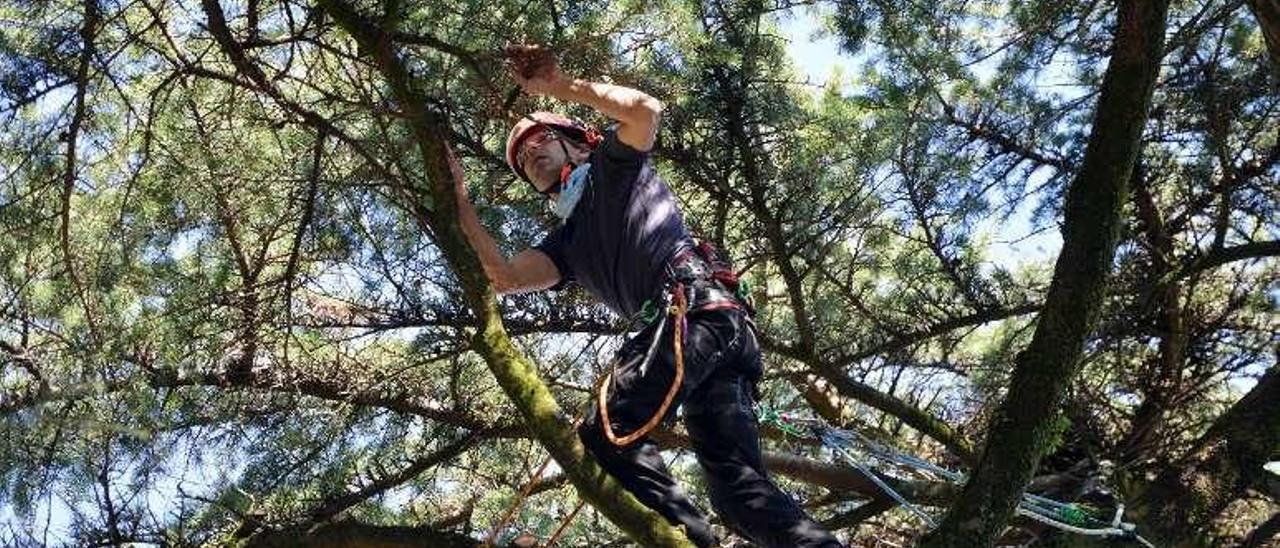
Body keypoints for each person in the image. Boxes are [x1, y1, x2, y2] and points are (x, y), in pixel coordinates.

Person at [450, 44, 844, 548]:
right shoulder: (565, 243)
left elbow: (644, 111)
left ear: (579, 143)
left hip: (694, 312)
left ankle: (684, 540)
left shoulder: (615, 167)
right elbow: (502, 277)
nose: (531, 155)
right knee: (738, 494)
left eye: (540, 140)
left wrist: (557, 87)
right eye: (522, 160)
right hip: (708, 338)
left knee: (606, 430)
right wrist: (458, 199)